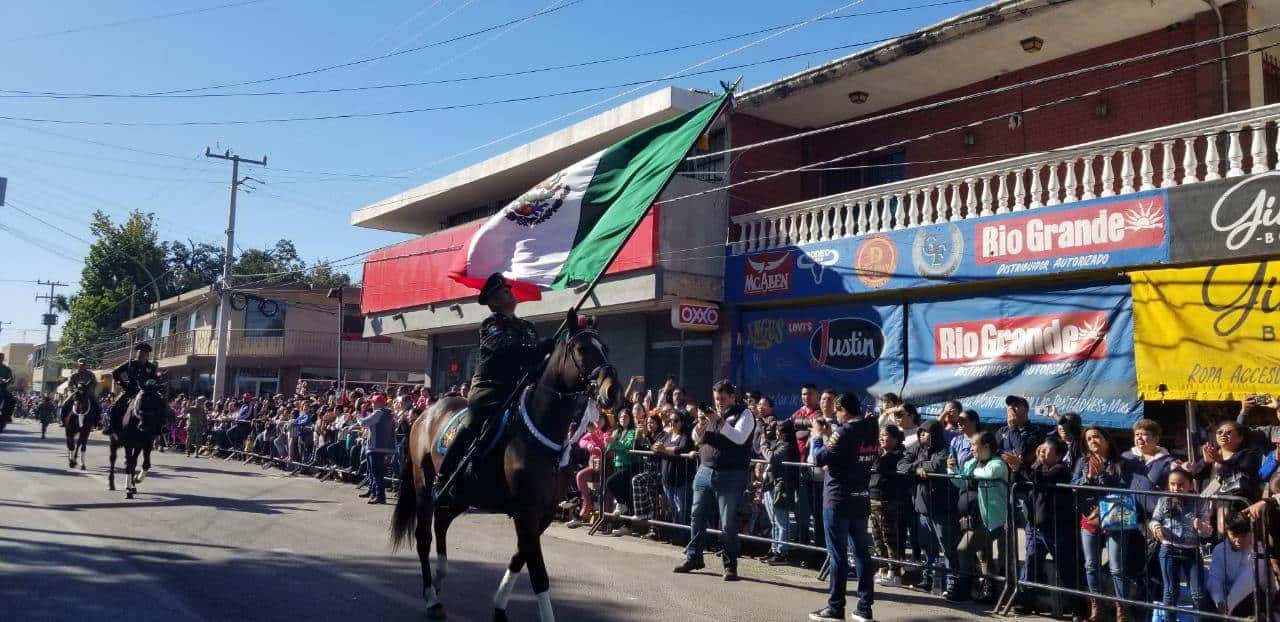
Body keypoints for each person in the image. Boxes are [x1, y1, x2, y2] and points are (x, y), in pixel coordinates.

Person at [432, 273, 561, 505]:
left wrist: (550, 354)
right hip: (490, 391)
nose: (509, 293)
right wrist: (541, 348)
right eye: (503, 292)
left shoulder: (528, 327)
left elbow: (535, 360)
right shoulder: (491, 325)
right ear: (493, 303)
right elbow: (506, 349)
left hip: (521, 390)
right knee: (472, 424)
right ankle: (443, 478)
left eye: (508, 290)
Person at [674, 380, 755, 582]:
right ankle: (694, 557)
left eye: (723, 398)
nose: (718, 403)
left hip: (731, 475)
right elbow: (696, 438)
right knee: (696, 516)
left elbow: (739, 438)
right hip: (705, 471)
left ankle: (730, 566)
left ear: (732, 396)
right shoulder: (711, 415)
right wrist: (701, 425)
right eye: (716, 399)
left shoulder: (744, 414)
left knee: (727, 524)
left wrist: (718, 421)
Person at [808, 392, 878, 622]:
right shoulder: (870, 428)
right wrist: (832, 437)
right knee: (861, 554)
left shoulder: (845, 430)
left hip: (838, 499)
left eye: (837, 412)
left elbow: (819, 458)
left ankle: (836, 606)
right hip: (860, 498)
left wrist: (818, 436)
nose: (835, 416)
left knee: (837, 555)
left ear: (843, 410)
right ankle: (865, 607)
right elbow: (846, 453)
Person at [1073, 426, 1140, 622]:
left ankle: (1122, 609)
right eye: (1089, 438)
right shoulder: (1082, 462)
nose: (1093, 440)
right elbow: (1074, 484)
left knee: (1117, 567)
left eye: (1097, 437)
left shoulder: (1121, 463)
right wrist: (1089, 477)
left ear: (1107, 440)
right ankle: (1096, 607)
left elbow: (1125, 487)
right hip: (1089, 517)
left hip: (1115, 517)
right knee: (1091, 565)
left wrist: (1103, 474)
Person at [1016, 437, 1082, 617]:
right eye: (1041, 449)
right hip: (1036, 527)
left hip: (1057, 528)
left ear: (1059, 455)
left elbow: (1039, 479)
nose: (1041, 453)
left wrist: (1021, 466)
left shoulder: (1060, 470)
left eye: (1047, 450)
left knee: (1066, 568)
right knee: (1030, 564)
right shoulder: (1039, 467)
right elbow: (1030, 476)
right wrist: (1029, 464)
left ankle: (1078, 607)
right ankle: (1025, 600)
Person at [946, 431, 1010, 603]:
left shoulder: (998, 462)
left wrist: (970, 471)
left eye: (974, 445)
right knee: (971, 551)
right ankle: (978, 588)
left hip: (996, 519)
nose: (971, 448)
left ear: (986, 446)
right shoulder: (975, 463)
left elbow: (990, 473)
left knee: (968, 550)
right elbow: (962, 481)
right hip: (979, 518)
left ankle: (973, 588)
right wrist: (952, 469)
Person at [901, 418, 955, 594]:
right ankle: (928, 578)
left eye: (926, 432)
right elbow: (901, 465)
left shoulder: (944, 449)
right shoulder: (916, 448)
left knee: (946, 548)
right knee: (927, 548)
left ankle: (951, 584)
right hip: (922, 507)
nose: (923, 435)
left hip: (941, 507)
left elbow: (936, 465)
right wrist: (917, 468)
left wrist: (918, 466)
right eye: (921, 432)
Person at [1149, 468, 1212, 614]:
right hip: (1169, 549)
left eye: (1180, 484)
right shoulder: (1164, 500)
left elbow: (1208, 532)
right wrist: (1156, 527)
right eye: (1172, 484)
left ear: (1190, 485)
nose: (1176, 488)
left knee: (1198, 593)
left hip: (1192, 551)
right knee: (1171, 592)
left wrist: (1201, 526)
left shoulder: (1199, 502)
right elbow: (1154, 520)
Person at [1207, 514, 1273, 618]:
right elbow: (1215, 578)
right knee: (1206, 599)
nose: (1238, 540)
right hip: (1228, 596)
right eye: (1233, 535)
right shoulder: (1220, 549)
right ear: (1227, 533)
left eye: (1243, 536)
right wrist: (1219, 601)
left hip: (1252, 596)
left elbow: (1247, 581)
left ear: (1251, 534)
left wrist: (1227, 608)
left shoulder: (1258, 550)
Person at [870, 424, 906, 587]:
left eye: (886, 436)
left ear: (895, 439)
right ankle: (882, 567)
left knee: (889, 537)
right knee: (877, 536)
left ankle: (895, 571)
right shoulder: (878, 453)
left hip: (888, 501)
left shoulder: (898, 455)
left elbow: (878, 466)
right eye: (881, 435)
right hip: (873, 499)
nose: (882, 439)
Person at [652, 409, 694, 544]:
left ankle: (683, 538)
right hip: (667, 479)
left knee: (682, 510)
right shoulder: (666, 435)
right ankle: (676, 536)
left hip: (681, 479)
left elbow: (682, 449)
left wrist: (664, 449)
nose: (672, 423)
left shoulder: (685, 436)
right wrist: (656, 447)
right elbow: (654, 445)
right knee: (673, 509)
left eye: (676, 420)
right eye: (670, 420)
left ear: (682, 422)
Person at [761, 419, 799, 565]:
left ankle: (782, 552)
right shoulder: (779, 444)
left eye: (779, 429)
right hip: (773, 484)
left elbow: (771, 457)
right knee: (774, 521)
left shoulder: (786, 445)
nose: (776, 432)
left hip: (781, 486)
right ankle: (775, 548)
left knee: (781, 521)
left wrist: (764, 444)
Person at [107, 343, 159, 435]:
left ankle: (161, 428)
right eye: (139, 354)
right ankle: (111, 426)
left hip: (146, 393)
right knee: (114, 407)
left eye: (143, 354)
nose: (141, 356)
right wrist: (122, 383)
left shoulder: (151, 367)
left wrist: (154, 385)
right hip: (130, 391)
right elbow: (115, 372)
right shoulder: (131, 363)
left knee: (161, 405)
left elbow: (155, 379)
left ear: (147, 355)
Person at [358, 393, 396, 504]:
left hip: (375, 447)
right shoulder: (389, 413)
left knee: (376, 473)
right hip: (386, 447)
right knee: (377, 472)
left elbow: (364, 423)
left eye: (373, 403)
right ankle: (375, 493)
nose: (372, 405)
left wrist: (359, 415)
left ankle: (379, 496)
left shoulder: (379, 413)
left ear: (379, 403)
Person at [0, 352, 13, 425]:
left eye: (2, 358)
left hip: (2, 387)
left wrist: (6, 381)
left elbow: (10, 378)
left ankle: (8, 415)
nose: (1, 359)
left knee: (12, 400)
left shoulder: (6, 368)